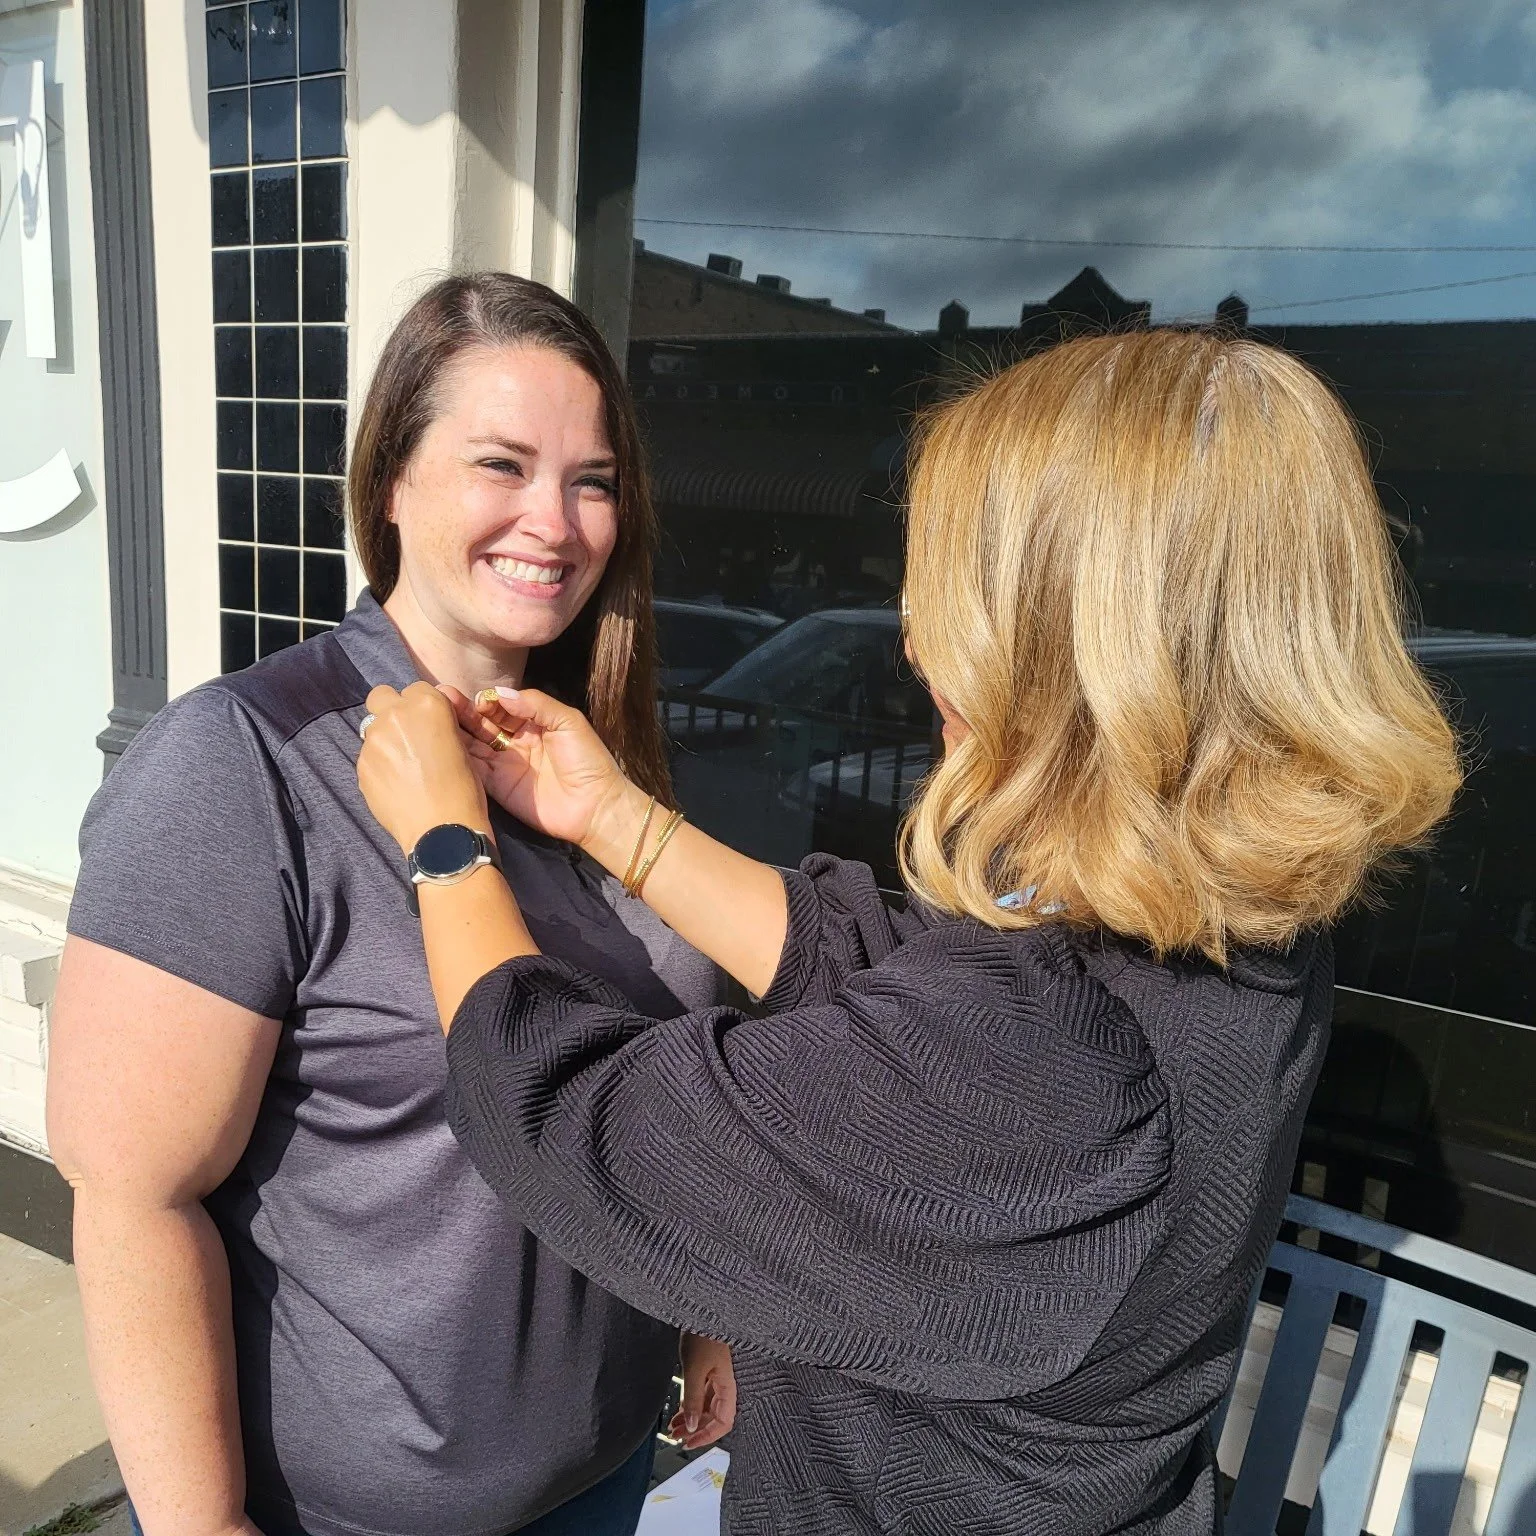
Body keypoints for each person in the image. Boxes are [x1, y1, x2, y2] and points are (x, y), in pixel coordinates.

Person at [353, 328, 1462, 1536]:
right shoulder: (1232, 931)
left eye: (948, 595)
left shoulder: (1040, 1070)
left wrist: (446, 846)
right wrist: (613, 816)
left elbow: (564, 1111)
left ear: (1068, 649)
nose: (917, 643)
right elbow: (882, 968)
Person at [45, 273, 732, 1536]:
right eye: (502, 464)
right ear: (392, 486)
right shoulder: (242, 763)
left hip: (605, 1467)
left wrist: (697, 1307)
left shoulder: (591, 760)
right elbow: (135, 1190)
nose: (557, 519)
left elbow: (649, 1075)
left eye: (590, 479)